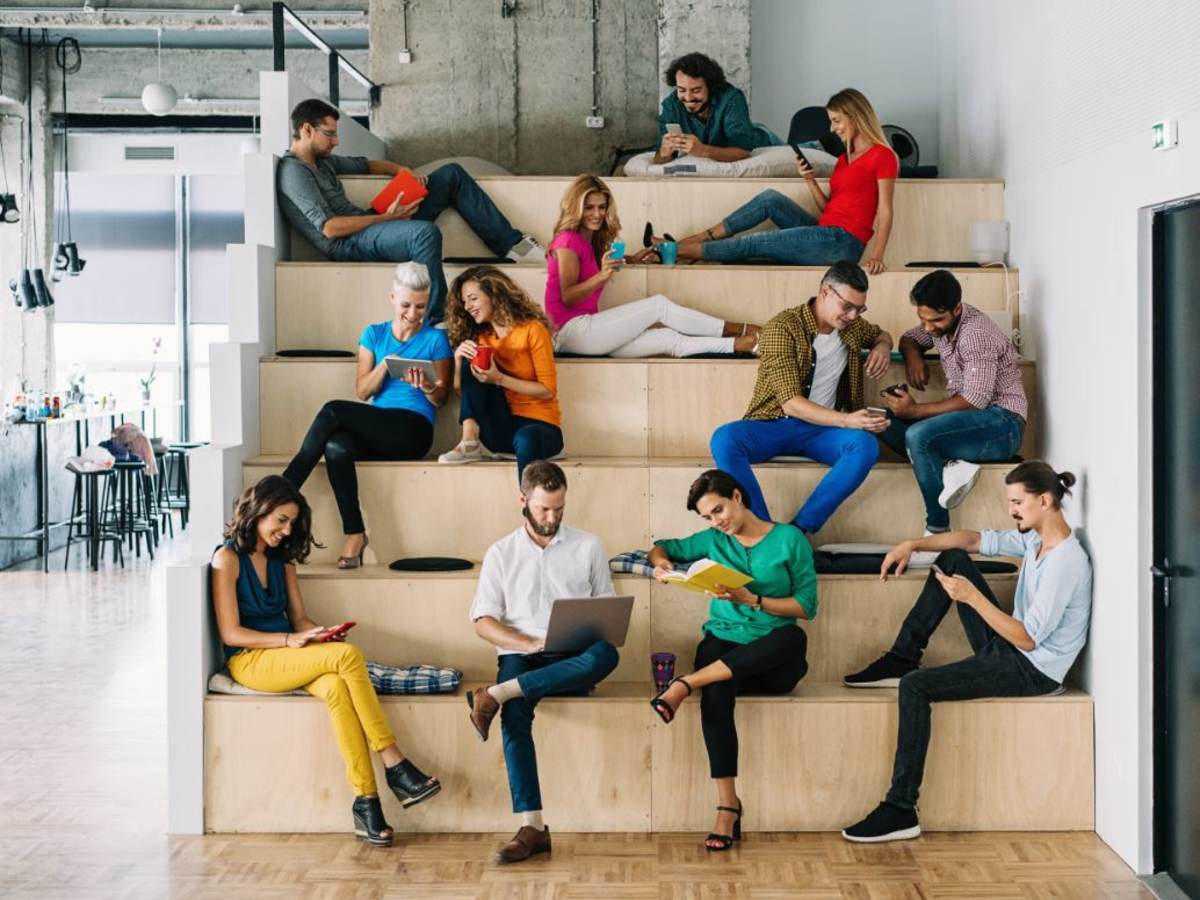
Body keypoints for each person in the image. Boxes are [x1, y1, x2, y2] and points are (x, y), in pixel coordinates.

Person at [841, 461, 1093, 842]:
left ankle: (900, 809)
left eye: (1016, 502)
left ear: (1044, 500)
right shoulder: (1035, 540)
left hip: (1033, 670)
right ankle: (903, 654)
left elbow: (1027, 639)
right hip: (1010, 649)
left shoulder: (1066, 562)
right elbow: (972, 541)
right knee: (953, 560)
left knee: (914, 687)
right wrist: (914, 543)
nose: (1011, 511)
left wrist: (973, 598)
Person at [210, 475, 441, 847]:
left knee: (337, 685)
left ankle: (366, 804)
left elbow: (299, 618)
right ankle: (395, 762)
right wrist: (290, 640)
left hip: (289, 652)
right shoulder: (227, 559)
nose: (287, 531)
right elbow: (230, 633)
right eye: (281, 520)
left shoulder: (282, 561)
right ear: (259, 510)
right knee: (348, 658)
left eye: (291, 523)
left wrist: (320, 635)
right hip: (251, 659)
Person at [647, 469, 815, 851]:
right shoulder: (712, 540)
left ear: (738, 497)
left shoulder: (790, 540)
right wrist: (661, 564)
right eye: (707, 517)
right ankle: (727, 805)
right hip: (723, 643)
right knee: (718, 691)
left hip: (774, 657)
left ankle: (686, 683)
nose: (716, 522)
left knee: (792, 636)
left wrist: (752, 600)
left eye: (718, 510)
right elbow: (661, 546)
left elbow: (806, 606)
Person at [463, 461, 619, 864]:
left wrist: (594, 628)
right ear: (523, 501)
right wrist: (525, 641)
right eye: (544, 509)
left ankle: (494, 694)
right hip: (520, 653)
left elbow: (606, 607)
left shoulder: (589, 545)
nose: (552, 518)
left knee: (606, 654)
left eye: (559, 508)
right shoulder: (501, 552)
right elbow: (483, 622)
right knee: (516, 716)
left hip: (573, 653)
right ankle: (533, 827)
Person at [276, 98, 545, 323]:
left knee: (451, 174)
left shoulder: (324, 162)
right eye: (330, 133)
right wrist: (386, 217)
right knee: (424, 234)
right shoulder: (294, 172)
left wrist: (403, 172)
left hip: (370, 224)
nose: (336, 141)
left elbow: (368, 165)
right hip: (347, 243)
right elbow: (330, 229)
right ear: (307, 129)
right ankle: (435, 319)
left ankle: (513, 246)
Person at [281, 262, 452, 568]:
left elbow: (441, 397)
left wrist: (426, 386)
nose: (413, 314)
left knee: (333, 410)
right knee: (336, 447)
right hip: (377, 426)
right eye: (405, 305)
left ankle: (281, 491)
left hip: (413, 430)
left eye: (421, 307)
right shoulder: (373, 334)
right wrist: (387, 364)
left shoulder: (435, 340)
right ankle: (356, 533)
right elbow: (362, 392)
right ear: (392, 298)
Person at [709, 260, 892, 534]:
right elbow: (790, 403)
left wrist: (882, 346)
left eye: (860, 308)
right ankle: (761, 531)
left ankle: (798, 530)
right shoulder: (782, 328)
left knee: (865, 446)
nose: (853, 316)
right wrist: (847, 420)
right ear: (826, 292)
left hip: (822, 431)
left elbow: (881, 334)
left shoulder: (852, 326)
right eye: (848, 307)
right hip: (774, 423)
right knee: (725, 438)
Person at [654, 89, 897, 274]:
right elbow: (829, 209)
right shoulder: (844, 160)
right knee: (770, 199)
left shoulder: (882, 156)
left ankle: (671, 249)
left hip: (843, 243)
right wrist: (810, 180)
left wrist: (877, 256)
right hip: (825, 231)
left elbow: (885, 211)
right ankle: (702, 237)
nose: (833, 129)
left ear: (855, 117)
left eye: (836, 121)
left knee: (757, 242)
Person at [879, 270, 1027, 557]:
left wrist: (916, 410)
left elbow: (975, 399)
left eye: (936, 320)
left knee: (918, 433)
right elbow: (910, 337)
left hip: (1002, 425)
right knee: (882, 420)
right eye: (924, 319)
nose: (930, 328)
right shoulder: (940, 325)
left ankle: (937, 530)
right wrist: (913, 358)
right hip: (974, 424)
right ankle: (953, 464)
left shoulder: (976, 334)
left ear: (957, 308)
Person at [547, 175, 760, 357]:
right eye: (589, 207)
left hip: (589, 331)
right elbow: (568, 296)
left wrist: (633, 259)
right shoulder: (568, 241)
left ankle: (745, 344)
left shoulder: (590, 241)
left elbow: (592, 267)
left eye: (602, 207)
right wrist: (602, 276)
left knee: (668, 339)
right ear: (576, 207)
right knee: (659, 306)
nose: (597, 214)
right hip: (571, 331)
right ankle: (741, 329)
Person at [438, 266, 563, 477]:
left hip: (540, 427)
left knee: (526, 439)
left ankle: (530, 507)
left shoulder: (532, 330)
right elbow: (464, 393)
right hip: (500, 429)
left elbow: (547, 390)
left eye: (472, 298)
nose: (467, 307)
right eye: (464, 302)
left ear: (493, 294)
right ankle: (469, 442)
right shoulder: (482, 338)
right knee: (471, 360)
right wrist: (459, 361)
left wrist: (499, 378)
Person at [653, 52, 781, 164]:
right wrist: (664, 152)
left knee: (798, 148)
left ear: (710, 87)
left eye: (696, 90)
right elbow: (658, 159)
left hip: (761, 138)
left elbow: (743, 151)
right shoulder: (671, 104)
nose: (688, 98)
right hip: (722, 139)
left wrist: (702, 150)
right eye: (681, 90)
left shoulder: (731, 98)